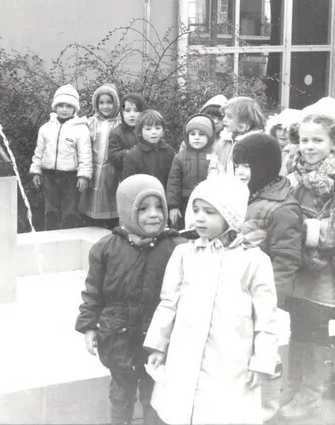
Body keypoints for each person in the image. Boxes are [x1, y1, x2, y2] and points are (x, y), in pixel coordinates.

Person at [144, 174, 280, 425]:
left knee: (221, 413)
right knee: (181, 410)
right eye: (196, 210)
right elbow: (168, 303)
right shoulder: (184, 253)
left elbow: (267, 317)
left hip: (229, 359)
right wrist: (158, 345)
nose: (199, 218)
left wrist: (263, 361)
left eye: (210, 212)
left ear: (231, 217)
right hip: (185, 354)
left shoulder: (254, 260)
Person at [76, 174, 185, 425]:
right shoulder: (106, 249)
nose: (154, 214)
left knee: (154, 397)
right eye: (144, 208)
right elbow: (93, 291)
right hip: (118, 337)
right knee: (121, 395)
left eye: (159, 207)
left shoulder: (176, 248)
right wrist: (89, 326)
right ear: (127, 210)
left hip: (156, 341)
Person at [233, 133, 304, 424]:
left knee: (265, 356)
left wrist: (269, 303)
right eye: (236, 164)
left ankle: (267, 412)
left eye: (247, 166)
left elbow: (285, 262)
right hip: (238, 296)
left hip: (263, 300)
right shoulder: (240, 195)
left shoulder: (282, 208)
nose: (239, 171)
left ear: (264, 166)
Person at [281, 113, 335, 421]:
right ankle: (294, 386)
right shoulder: (292, 174)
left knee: (315, 328)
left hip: (324, 269)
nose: (309, 147)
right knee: (298, 324)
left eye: (318, 140)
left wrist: (305, 229)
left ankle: (311, 396)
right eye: (304, 140)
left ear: (332, 142)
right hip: (297, 265)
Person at [30, 84, 92, 230]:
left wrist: (84, 176)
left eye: (69, 106)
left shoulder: (81, 129)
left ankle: (68, 239)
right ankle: (50, 238)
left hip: (70, 177)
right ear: (55, 107)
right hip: (49, 176)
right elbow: (39, 152)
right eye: (61, 105)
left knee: (69, 211)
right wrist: (36, 172)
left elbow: (86, 155)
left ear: (75, 109)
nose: (64, 109)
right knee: (50, 209)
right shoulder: (46, 128)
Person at [79, 83, 121, 229]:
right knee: (92, 203)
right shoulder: (91, 122)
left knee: (111, 203)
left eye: (109, 102)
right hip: (95, 170)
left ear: (115, 103)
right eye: (101, 103)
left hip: (112, 170)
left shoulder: (120, 123)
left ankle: (111, 229)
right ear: (96, 104)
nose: (105, 106)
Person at [166, 113, 215, 229]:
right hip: (185, 202)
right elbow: (174, 183)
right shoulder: (179, 157)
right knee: (186, 230)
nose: (196, 137)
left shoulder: (215, 155)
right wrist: (173, 206)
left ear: (210, 137)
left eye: (202, 134)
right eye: (192, 134)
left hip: (208, 201)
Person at [211, 96, 265, 176]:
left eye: (229, 116)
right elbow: (215, 165)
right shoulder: (223, 141)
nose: (224, 119)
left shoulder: (255, 145)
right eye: (224, 115)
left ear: (244, 123)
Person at [121, 110, 175, 187]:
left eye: (157, 128)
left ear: (163, 131)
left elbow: (174, 181)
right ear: (140, 132)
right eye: (148, 129)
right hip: (142, 196)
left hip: (164, 196)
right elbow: (128, 184)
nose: (154, 132)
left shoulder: (170, 152)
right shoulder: (132, 155)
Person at [107, 93, 147, 183]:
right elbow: (113, 156)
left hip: (146, 176)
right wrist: (130, 153)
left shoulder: (147, 130)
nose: (132, 115)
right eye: (127, 111)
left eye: (136, 111)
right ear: (122, 112)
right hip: (124, 177)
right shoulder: (116, 133)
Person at [266, 108, 302, 176]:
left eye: (287, 130)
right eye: (279, 129)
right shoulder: (271, 148)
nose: (282, 133)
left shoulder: (296, 152)